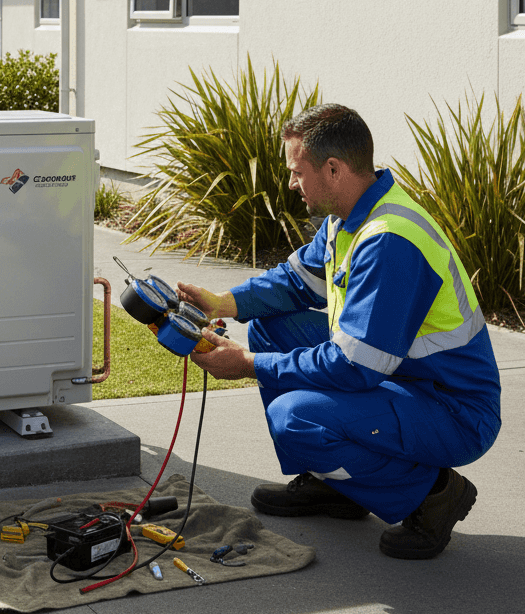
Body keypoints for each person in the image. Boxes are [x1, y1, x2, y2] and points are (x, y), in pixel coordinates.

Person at [178, 103, 501, 560]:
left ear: (333, 169)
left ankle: (434, 493)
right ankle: (338, 486)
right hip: (404, 380)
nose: (292, 183)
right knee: (274, 328)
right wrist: (222, 303)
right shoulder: (347, 218)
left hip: (453, 410)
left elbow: (354, 367)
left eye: (297, 172)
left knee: (296, 416)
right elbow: (294, 282)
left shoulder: (391, 240)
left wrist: (248, 364)